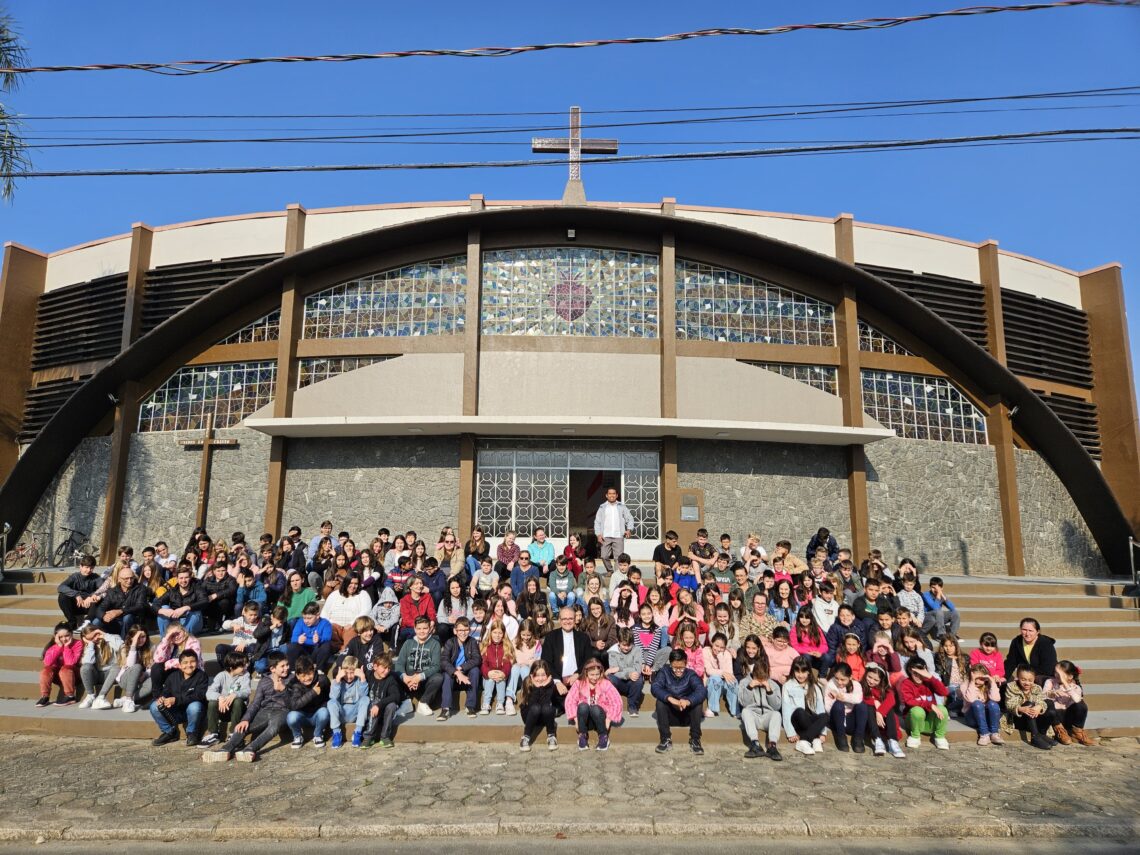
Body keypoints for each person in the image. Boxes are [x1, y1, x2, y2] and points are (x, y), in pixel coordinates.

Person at [205, 652, 292, 762]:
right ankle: (225, 750)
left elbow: (293, 703)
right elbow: (255, 703)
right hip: (264, 711)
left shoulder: (292, 679)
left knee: (273, 727)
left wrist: (283, 690)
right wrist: (245, 719)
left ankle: (250, 749)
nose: (287, 668)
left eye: (287, 665)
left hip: (283, 711)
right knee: (243, 726)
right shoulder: (264, 681)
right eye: (283, 666)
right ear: (273, 669)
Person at [652, 648, 706, 755]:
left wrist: (688, 701)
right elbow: (655, 687)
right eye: (674, 667)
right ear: (670, 664)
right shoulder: (664, 671)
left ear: (686, 664)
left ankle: (695, 740)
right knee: (660, 702)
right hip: (670, 714)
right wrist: (671, 699)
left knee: (698, 703)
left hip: (687, 715)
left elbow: (701, 690)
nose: (678, 671)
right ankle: (665, 739)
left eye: (681, 668)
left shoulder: (691, 674)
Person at [150, 649, 208, 747]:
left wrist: (176, 700)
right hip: (175, 712)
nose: (189, 665)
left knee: (195, 706)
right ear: (180, 665)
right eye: (185, 663)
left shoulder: (201, 676)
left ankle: (192, 733)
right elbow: (166, 692)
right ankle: (170, 732)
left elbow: (199, 695)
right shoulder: (173, 676)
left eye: (192, 662)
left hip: (194, 713)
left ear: (197, 663)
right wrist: (162, 698)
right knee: (154, 706)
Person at [90, 625, 152, 712]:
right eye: (137, 637)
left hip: (141, 680)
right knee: (136, 667)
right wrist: (133, 644)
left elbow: (153, 667)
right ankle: (128, 700)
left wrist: (145, 674)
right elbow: (131, 665)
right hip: (125, 679)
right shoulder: (124, 647)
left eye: (143, 636)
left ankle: (124, 700)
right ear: (131, 638)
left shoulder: (150, 648)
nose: (141, 640)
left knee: (153, 681)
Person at [540, 607, 591, 712]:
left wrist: (578, 674)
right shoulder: (551, 637)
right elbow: (546, 661)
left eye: (570, 618)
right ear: (559, 620)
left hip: (577, 679)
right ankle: (564, 705)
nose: (567, 621)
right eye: (564, 619)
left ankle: (568, 705)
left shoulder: (583, 638)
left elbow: (588, 659)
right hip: (558, 680)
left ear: (575, 619)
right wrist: (557, 681)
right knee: (548, 688)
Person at [566, 657, 623, 751]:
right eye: (592, 674)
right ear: (586, 673)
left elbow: (616, 701)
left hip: (600, 719)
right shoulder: (578, 684)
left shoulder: (606, 683)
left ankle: (603, 737)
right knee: (582, 706)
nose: (595, 677)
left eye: (597, 674)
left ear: (601, 673)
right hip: (584, 720)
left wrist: (608, 720)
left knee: (595, 708)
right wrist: (576, 720)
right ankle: (582, 736)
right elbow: (570, 701)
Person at [395, 616, 444, 717]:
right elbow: (399, 663)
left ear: (430, 629)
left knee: (438, 677)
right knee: (393, 674)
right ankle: (406, 702)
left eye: (425, 628)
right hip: (408, 680)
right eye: (419, 628)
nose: (422, 631)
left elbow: (436, 666)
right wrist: (405, 677)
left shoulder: (435, 644)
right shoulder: (408, 643)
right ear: (414, 629)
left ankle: (423, 703)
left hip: (425, 680)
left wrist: (419, 677)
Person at [898, 658, 951, 750]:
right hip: (913, 722)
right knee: (917, 710)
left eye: (920, 673)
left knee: (942, 709)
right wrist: (930, 705)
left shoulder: (929, 681)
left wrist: (930, 677)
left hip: (928, 723)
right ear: (910, 671)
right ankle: (915, 736)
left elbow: (944, 692)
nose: (918, 676)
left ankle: (940, 737)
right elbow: (909, 701)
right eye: (915, 673)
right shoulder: (906, 683)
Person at [202, 651, 251, 747]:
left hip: (238, 711)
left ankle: (234, 732)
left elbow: (247, 691)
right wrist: (219, 697)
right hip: (223, 710)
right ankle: (213, 733)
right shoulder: (221, 676)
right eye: (242, 666)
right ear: (232, 667)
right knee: (212, 703)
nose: (246, 667)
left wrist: (235, 694)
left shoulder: (245, 675)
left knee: (238, 701)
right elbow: (209, 692)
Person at [781, 655, 827, 756]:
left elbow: (820, 709)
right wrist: (790, 732)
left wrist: (822, 733)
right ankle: (813, 738)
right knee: (800, 711)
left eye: (804, 672)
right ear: (793, 671)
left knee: (825, 716)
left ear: (809, 672)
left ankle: (805, 740)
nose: (800, 675)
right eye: (798, 671)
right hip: (797, 720)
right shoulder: (788, 686)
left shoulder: (814, 687)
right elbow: (786, 710)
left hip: (810, 720)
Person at [738, 659, 784, 761]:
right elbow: (744, 703)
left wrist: (769, 691)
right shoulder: (744, 682)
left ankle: (772, 746)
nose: (760, 681)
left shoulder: (773, 684)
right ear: (753, 674)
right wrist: (749, 687)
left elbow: (777, 706)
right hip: (753, 717)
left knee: (777, 714)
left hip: (767, 717)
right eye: (757, 678)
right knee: (745, 712)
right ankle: (755, 744)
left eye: (763, 679)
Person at [438, 618, 482, 720]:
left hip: (467, 679)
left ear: (469, 630)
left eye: (466, 630)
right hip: (453, 678)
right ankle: (445, 708)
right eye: (460, 630)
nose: (463, 633)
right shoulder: (450, 642)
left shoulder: (472, 642)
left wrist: (462, 667)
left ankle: (470, 706)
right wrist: (456, 672)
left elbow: (477, 659)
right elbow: (444, 661)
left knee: (475, 670)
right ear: (455, 631)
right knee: (446, 674)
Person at [1045, 660, 1096, 746]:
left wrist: (1065, 684)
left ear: (1070, 676)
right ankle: (1060, 731)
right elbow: (1042, 697)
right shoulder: (1050, 682)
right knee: (1047, 704)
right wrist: (1051, 693)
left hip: (1068, 717)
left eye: (1060, 674)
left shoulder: (1075, 687)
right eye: (1055, 672)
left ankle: (1077, 733)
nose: (1056, 675)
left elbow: (1077, 700)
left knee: (1082, 705)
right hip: (1055, 717)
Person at [1005, 664, 1056, 750]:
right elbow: (1009, 704)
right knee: (1028, 704)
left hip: (1034, 718)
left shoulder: (1037, 688)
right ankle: (1035, 737)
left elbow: (1041, 700)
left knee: (1049, 703)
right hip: (1019, 719)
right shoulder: (1011, 687)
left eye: (1030, 680)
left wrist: (1039, 706)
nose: (1027, 683)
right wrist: (1020, 708)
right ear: (1018, 677)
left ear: (1034, 679)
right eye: (1023, 679)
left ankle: (1042, 734)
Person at [93, 567, 152, 640]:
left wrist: (121, 611)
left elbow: (140, 606)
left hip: (134, 621)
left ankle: (123, 643)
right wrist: (104, 616)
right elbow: (101, 608)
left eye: (131, 578)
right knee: (97, 621)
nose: (129, 581)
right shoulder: (112, 591)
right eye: (126, 579)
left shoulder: (140, 589)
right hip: (116, 622)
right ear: (119, 579)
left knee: (127, 617)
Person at [285, 655, 331, 748]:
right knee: (291, 716)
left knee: (324, 712)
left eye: (309, 674)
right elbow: (293, 705)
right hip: (302, 716)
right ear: (297, 676)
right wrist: (313, 692)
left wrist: (324, 705)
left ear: (314, 671)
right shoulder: (293, 684)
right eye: (303, 675)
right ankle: (297, 736)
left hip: (317, 715)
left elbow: (329, 696)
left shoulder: (322, 680)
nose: (307, 678)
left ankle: (318, 735)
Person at [862, 663, 906, 758]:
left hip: (884, 721)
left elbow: (891, 700)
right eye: (869, 677)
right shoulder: (862, 686)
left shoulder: (885, 689)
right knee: (869, 707)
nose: (871, 681)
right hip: (869, 721)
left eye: (876, 680)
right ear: (866, 674)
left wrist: (879, 711)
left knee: (888, 708)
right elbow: (862, 698)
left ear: (881, 680)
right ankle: (877, 740)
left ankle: (892, 741)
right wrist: (875, 702)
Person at [361, 654, 403, 749]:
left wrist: (379, 705)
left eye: (388, 668)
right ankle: (368, 737)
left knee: (392, 705)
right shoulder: (368, 675)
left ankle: (385, 737)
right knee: (371, 702)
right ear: (375, 666)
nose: (387, 671)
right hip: (369, 710)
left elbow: (395, 696)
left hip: (384, 710)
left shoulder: (390, 679)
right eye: (384, 668)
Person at [824, 662, 867, 753]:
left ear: (850, 677)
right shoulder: (830, 684)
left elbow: (858, 699)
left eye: (843, 679)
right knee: (838, 705)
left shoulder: (856, 685)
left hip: (850, 719)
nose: (839, 682)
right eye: (837, 678)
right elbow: (827, 707)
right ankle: (841, 738)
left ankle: (858, 738)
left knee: (862, 706)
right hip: (837, 720)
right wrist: (840, 708)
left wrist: (843, 697)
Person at [329, 655, 371, 748]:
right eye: (346, 673)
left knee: (366, 699)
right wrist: (338, 680)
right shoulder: (337, 681)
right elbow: (333, 697)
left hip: (355, 713)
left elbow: (363, 697)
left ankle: (357, 732)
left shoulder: (359, 681)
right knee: (331, 702)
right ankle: (336, 733)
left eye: (352, 673)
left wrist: (362, 678)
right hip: (342, 713)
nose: (349, 676)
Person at [518, 659, 559, 752]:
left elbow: (546, 702)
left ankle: (551, 736)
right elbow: (532, 704)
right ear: (532, 675)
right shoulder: (527, 682)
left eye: (543, 675)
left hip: (544, 715)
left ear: (547, 674)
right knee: (536, 708)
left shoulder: (550, 683)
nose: (540, 679)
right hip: (530, 714)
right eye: (537, 675)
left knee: (547, 708)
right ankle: (526, 737)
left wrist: (544, 686)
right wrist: (537, 688)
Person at [605, 627, 645, 718]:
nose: (626, 648)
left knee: (639, 679)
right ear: (618, 642)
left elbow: (637, 669)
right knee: (610, 678)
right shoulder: (612, 652)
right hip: (619, 682)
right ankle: (613, 703)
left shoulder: (637, 650)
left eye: (629, 645)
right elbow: (614, 672)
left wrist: (619, 668)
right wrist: (627, 674)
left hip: (632, 682)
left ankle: (632, 705)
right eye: (624, 645)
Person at [155, 566, 207, 637]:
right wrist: (162, 610)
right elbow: (155, 604)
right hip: (176, 622)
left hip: (192, 622)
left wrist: (186, 608)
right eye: (181, 578)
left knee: (195, 611)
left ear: (190, 578)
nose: (183, 580)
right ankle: (165, 640)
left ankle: (183, 637)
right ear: (176, 579)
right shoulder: (172, 591)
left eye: (186, 577)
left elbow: (204, 601)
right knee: (164, 607)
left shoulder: (197, 588)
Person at [78, 626, 122, 708]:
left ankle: (101, 697)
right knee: (85, 667)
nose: (95, 639)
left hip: (111, 675)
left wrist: (105, 635)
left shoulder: (112, 638)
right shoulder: (88, 646)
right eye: (90, 638)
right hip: (96, 675)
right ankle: (90, 696)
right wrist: (90, 645)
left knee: (117, 666)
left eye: (95, 635)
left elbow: (121, 646)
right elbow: (88, 662)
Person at [961, 663, 1004, 747]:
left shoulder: (988, 685)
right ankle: (984, 734)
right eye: (975, 678)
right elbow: (971, 699)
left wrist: (992, 682)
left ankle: (994, 733)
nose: (977, 681)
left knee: (993, 704)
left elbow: (996, 699)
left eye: (981, 679)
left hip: (986, 718)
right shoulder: (965, 685)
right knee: (977, 703)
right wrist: (972, 682)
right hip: (972, 718)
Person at [1004, 618, 1057, 685]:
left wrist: (1027, 676)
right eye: (1024, 630)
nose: (1027, 633)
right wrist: (1003, 677)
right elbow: (1010, 662)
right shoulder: (1016, 642)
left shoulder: (1046, 643)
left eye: (1030, 630)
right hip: (1023, 678)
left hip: (1043, 678)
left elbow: (1048, 668)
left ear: (1037, 632)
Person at [56, 555, 103, 631]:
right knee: (62, 597)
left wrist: (91, 596)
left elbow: (102, 589)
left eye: (91, 568)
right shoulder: (75, 577)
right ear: (80, 566)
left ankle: (87, 622)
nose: (89, 570)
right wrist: (76, 594)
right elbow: (61, 587)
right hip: (77, 604)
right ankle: (72, 621)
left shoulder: (96, 577)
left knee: (98, 599)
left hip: (89, 606)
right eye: (86, 567)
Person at [594, 487, 635, 573]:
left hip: (618, 536)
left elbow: (630, 518)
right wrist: (598, 534)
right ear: (606, 495)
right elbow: (597, 522)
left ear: (616, 495)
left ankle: (616, 574)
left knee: (618, 558)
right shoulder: (602, 507)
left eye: (613, 494)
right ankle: (610, 571)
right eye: (610, 493)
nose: (612, 495)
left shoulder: (622, 506)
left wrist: (629, 529)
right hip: (605, 536)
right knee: (604, 556)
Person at [506, 620, 540, 716]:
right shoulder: (514, 642)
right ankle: (509, 699)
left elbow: (537, 660)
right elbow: (511, 658)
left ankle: (527, 695)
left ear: (532, 633)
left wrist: (527, 663)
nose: (525, 638)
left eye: (528, 635)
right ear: (519, 633)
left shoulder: (536, 644)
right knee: (516, 667)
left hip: (529, 676)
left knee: (524, 668)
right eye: (523, 635)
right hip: (516, 677)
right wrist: (516, 663)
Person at [288, 602, 334, 671]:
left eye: (309, 618)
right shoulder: (300, 622)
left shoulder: (325, 623)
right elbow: (293, 638)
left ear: (317, 615)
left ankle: (319, 670)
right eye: (304, 618)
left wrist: (319, 639)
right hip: (304, 651)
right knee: (292, 646)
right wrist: (298, 639)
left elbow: (327, 637)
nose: (306, 621)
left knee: (326, 645)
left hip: (317, 651)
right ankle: (292, 670)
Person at [479, 620, 513, 715]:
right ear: (490, 633)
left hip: (501, 674)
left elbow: (507, 663)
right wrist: (489, 672)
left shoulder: (506, 646)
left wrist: (503, 673)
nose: (497, 635)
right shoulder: (486, 646)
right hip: (488, 675)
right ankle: (486, 703)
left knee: (500, 679)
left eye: (500, 633)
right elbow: (483, 664)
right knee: (490, 680)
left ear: (503, 634)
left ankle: (500, 703)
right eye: (495, 632)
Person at [702, 632, 738, 717]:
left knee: (733, 681)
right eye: (716, 645)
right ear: (712, 643)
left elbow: (729, 673)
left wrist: (720, 658)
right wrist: (722, 673)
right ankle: (712, 708)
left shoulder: (726, 654)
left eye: (722, 647)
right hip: (710, 683)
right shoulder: (705, 651)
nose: (718, 649)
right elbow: (709, 671)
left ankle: (735, 710)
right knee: (715, 678)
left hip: (724, 683)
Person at [201, 561, 238, 631]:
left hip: (225, 605)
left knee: (224, 602)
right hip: (211, 603)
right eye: (218, 571)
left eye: (223, 570)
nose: (221, 573)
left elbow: (232, 590)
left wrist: (216, 595)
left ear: (226, 570)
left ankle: (217, 623)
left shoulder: (231, 579)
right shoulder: (208, 580)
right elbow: (201, 590)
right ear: (214, 571)